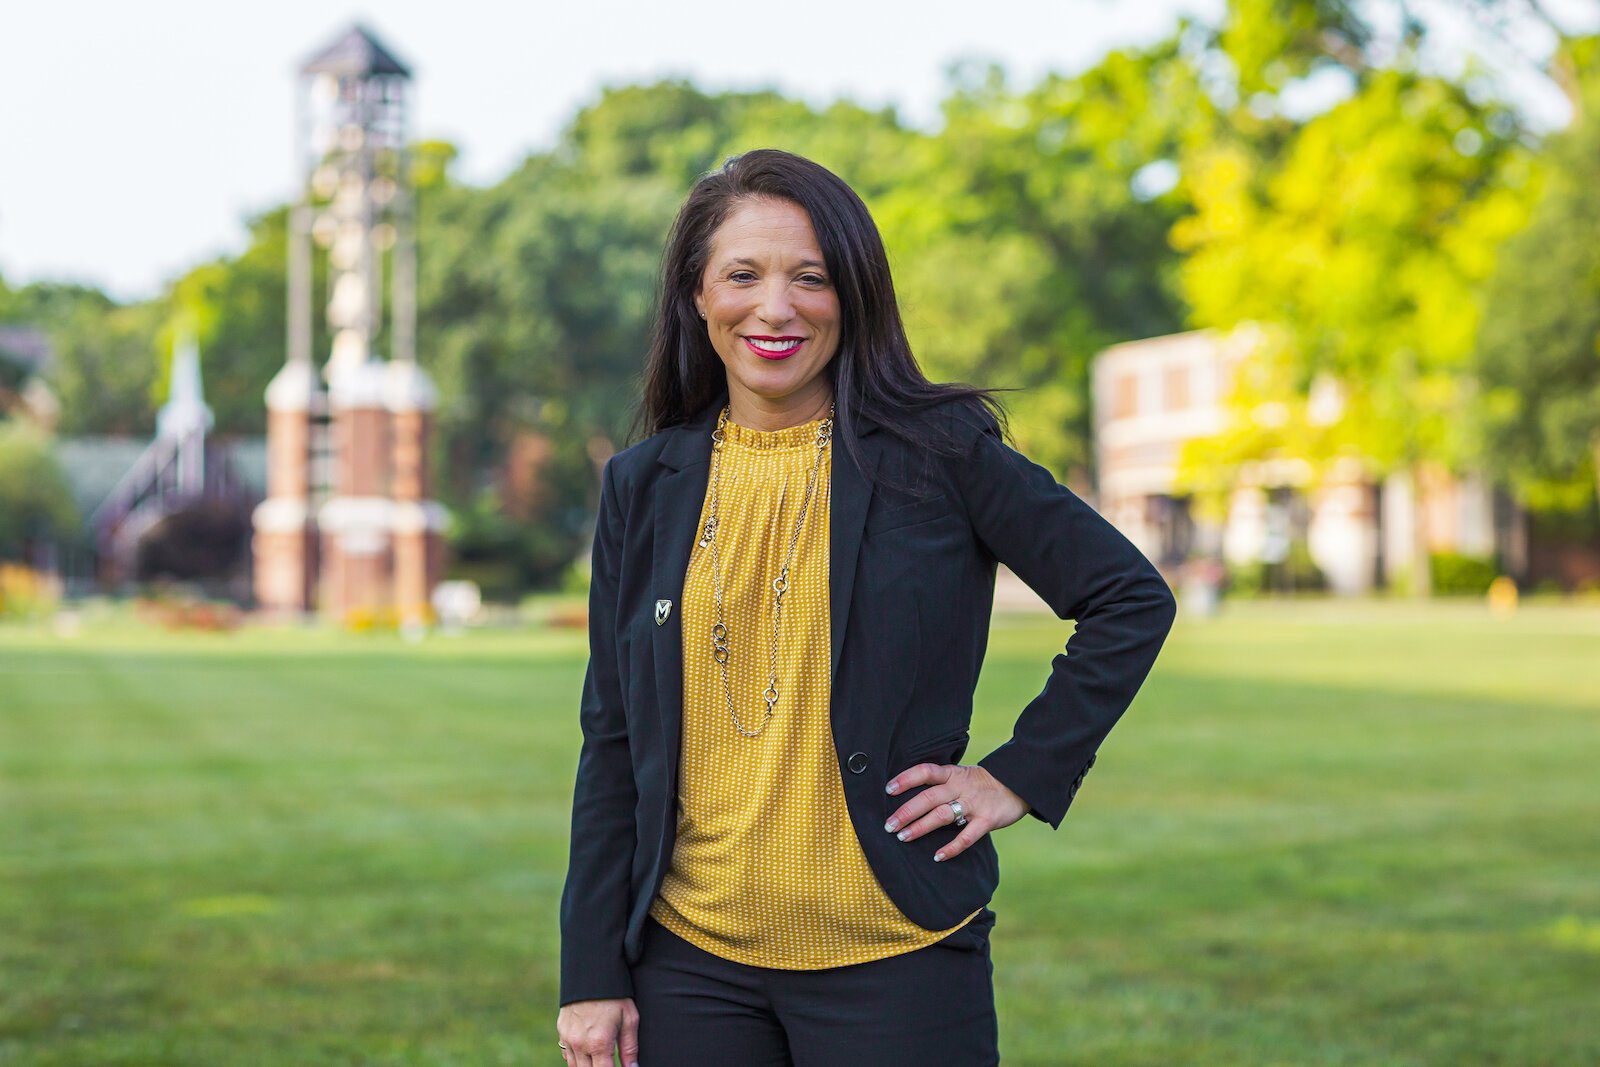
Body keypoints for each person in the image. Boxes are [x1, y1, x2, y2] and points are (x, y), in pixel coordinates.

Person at [556, 148, 1177, 1067]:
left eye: (811, 277)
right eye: (743, 275)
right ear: (697, 294)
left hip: (897, 960)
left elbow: (1128, 595)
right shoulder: (643, 486)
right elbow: (612, 742)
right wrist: (589, 972)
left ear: (851, 296)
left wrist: (1018, 773)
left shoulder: (939, 454)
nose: (776, 307)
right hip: (689, 968)